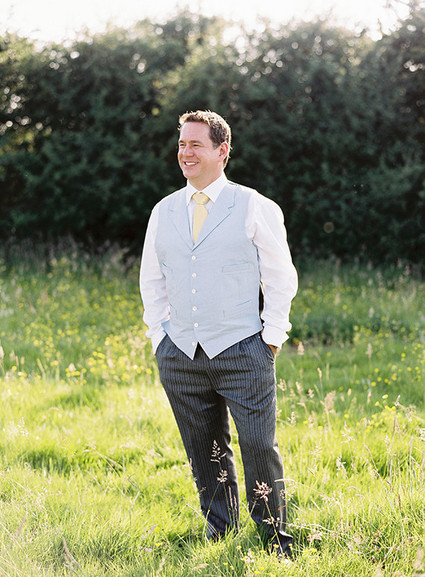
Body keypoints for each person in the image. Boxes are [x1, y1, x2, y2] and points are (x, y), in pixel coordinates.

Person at [140, 110, 298, 557]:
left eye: (195, 144)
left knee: (258, 445)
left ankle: (274, 539)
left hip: (243, 348)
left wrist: (271, 339)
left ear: (222, 150)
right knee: (203, 448)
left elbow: (281, 277)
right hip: (179, 352)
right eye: (181, 144)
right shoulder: (164, 210)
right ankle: (220, 531)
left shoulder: (254, 206)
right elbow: (152, 279)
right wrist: (159, 337)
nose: (185, 152)